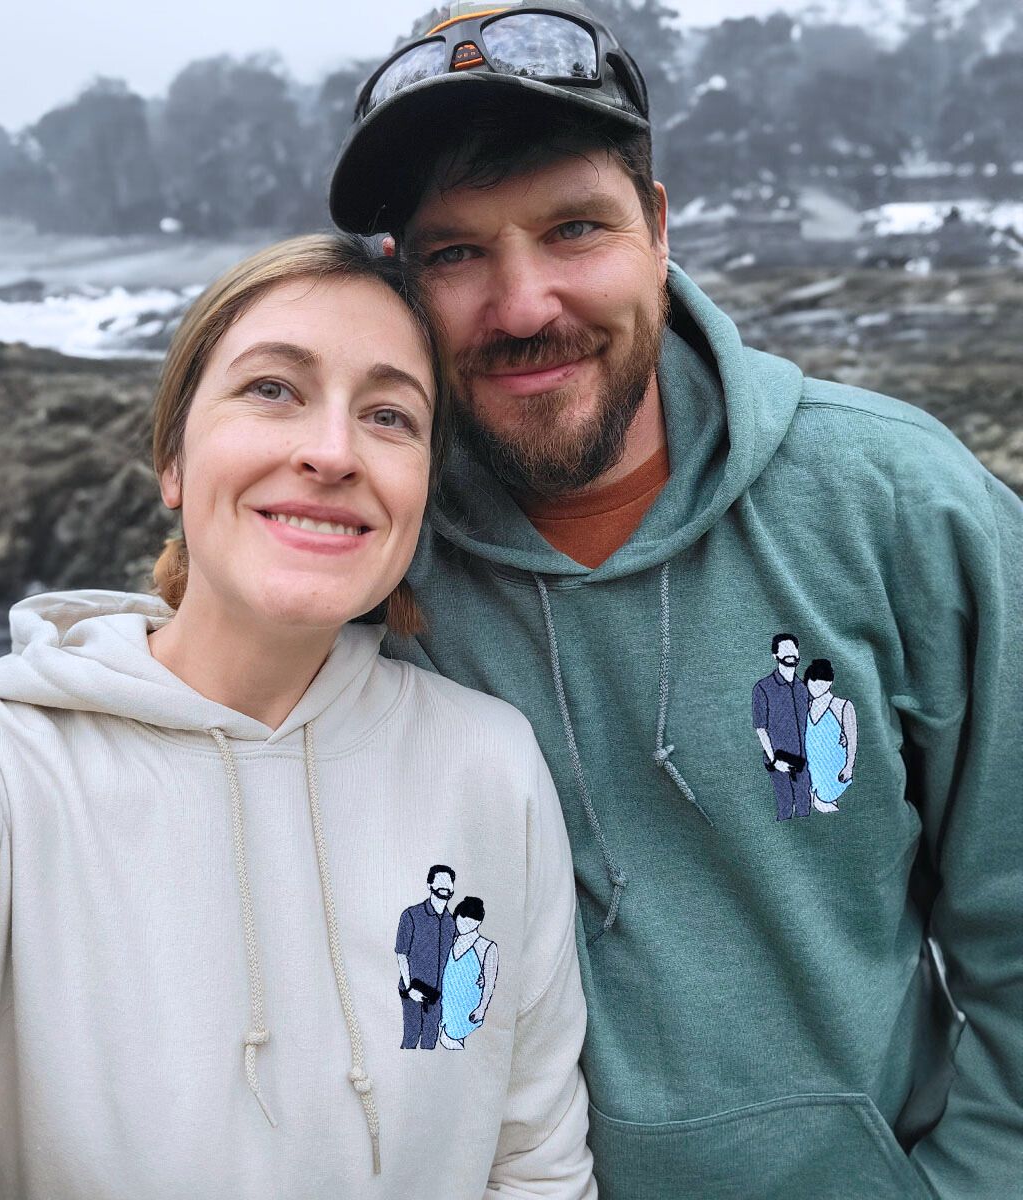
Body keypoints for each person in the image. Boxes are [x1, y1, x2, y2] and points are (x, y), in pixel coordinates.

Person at [328, 3, 1023, 1197]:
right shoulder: (358, 559)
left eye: (574, 229)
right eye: (456, 253)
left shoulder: (902, 505)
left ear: (656, 225)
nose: (526, 303)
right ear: (401, 278)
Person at [0, 234, 597, 1199]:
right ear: (174, 462)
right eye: (273, 388)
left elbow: (534, 1159)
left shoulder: (490, 763)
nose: (331, 450)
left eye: (390, 414)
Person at [751, 633, 813, 821]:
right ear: (775, 656)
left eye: (793, 650)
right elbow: (760, 728)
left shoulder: (803, 688)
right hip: (779, 761)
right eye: (785, 650)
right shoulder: (763, 688)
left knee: (804, 807)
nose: (790, 654)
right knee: (785, 810)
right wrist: (774, 760)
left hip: (803, 760)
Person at [395, 864, 457, 1049]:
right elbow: (401, 954)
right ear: (430, 885)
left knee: (430, 1040)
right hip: (413, 990)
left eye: (449, 882)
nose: (445, 886)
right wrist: (409, 988)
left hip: (438, 995)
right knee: (411, 1037)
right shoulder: (411, 915)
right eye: (440, 881)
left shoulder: (451, 922)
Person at [438, 896, 499, 1050]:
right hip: (446, 1002)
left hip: (467, 1006)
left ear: (478, 922)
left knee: (455, 1043)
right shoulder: (450, 942)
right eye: (462, 918)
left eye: (471, 920)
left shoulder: (486, 947)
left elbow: (490, 982)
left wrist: (481, 1008)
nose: (465, 923)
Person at [802, 658, 857, 814]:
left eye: (821, 681)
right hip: (810, 765)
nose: (816, 686)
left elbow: (852, 738)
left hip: (833, 765)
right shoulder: (806, 707)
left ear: (829, 682)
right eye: (812, 681)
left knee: (828, 803)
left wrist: (849, 766)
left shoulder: (842, 706)